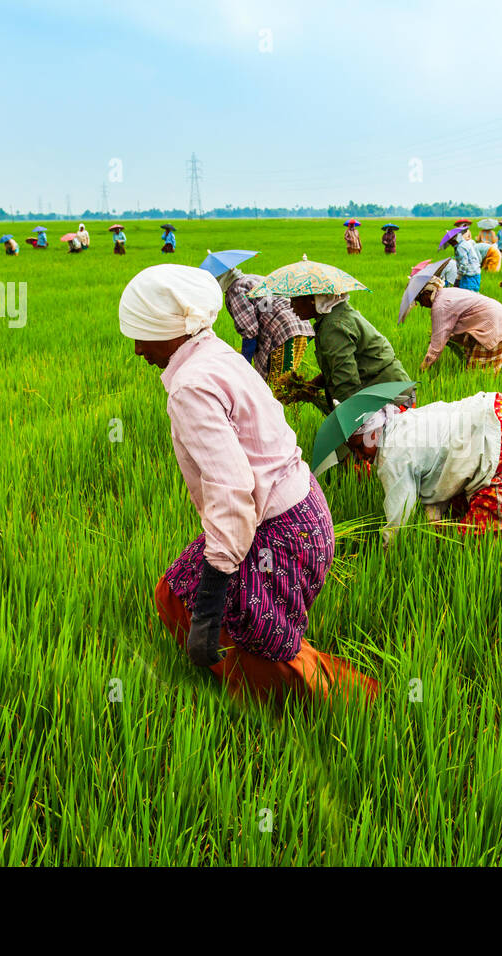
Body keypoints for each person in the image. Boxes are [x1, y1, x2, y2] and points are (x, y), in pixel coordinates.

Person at [119, 264, 377, 704]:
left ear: (175, 331)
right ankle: (229, 678)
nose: (139, 349)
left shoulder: (190, 385)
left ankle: (349, 705)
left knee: (266, 651)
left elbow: (231, 486)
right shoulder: (216, 353)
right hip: (302, 512)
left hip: (280, 531)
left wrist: (214, 596)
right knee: (176, 592)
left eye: (144, 335)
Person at [346, 391, 502, 546]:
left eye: (358, 446)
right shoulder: (404, 421)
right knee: (460, 508)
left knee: (479, 541)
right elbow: (436, 477)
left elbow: (399, 517)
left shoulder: (391, 455)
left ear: (373, 433)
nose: (358, 456)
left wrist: (388, 552)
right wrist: (434, 522)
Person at [286, 289, 413, 415]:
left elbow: (346, 381)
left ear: (313, 300)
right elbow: (338, 367)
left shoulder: (333, 326)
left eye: (295, 300)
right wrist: (311, 387)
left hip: (389, 398)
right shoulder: (336, 315)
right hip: (391, 390)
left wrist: (352, 418)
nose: (291, 306)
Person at [218, 266, 316, 402]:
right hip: (300, 327)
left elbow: (249, 331)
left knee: (275, 389)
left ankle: (281, 418)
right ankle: (292, 415)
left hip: (281, 333)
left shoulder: (235, 290)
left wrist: (244, 365)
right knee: (285, 383)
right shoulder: (252, 278)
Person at [413, 276, 502, 373]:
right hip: (495, 316)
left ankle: (484, 387)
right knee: (474, 364)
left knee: (479, 373)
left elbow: (437, 345)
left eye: (419, 300)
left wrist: (423, 368)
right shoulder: (446, 292)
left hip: (491, 323)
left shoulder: (440, 306)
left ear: (427, 293)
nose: (421, 305)